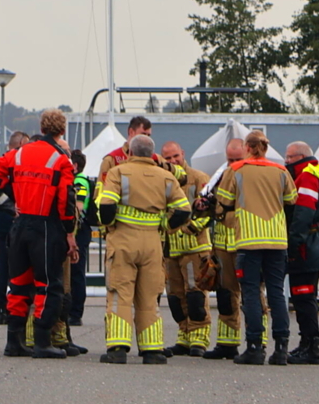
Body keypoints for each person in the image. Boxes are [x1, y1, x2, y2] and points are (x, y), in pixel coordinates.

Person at [0, 109, 78, 359]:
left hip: (20, 224)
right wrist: (69, 231)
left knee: (18, 284)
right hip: (46, 226)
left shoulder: (18, 153)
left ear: (41, 125)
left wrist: (11, 197)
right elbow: (66, 201)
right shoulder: (61, 159)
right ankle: (42, 341)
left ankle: (13, 341)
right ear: (62, 130)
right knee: (49, 285)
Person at [98, 134, 191, 365]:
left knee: (120, 294)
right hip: (152, 243)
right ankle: (152, 350)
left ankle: (118, 349)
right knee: (149, 297)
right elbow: (183, 210)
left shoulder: (118, 173)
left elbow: (106, 205)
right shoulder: (166, 176)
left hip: (123, 240)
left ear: (128, 152)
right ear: (152, 154)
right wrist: (165, 226)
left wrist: (109, 225)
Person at [215, 131, 297, 365]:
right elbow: (292, 199)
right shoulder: (281, 170)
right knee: (276, 293)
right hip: (277, 239)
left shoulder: (236, 169)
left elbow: (223, 201)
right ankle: (281, 349)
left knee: (250, 292)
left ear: (247, 148)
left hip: (249, 239)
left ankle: (254, 347)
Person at [160, 141, 212, 357]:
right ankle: (184, 336)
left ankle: (199, 339)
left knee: (195, 295)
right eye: (168, 159)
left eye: (175, 156)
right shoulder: (162, 180)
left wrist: (192, 228)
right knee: (175, 297)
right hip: (170, 250)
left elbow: (210, 208)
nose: (173, 161)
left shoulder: (199, 178)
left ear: (183, 153)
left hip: (194, 248)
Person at [283, 141, 319, 365]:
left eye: (289, 157)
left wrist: (293, 246)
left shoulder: (305, 177)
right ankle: (307, 343)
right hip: (314, 243)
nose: (285, 162)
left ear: (301, 156)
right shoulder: (315, 173)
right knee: (304, 296)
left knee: (303, 297)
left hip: (307, 246)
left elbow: (303, 214)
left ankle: (311, 346)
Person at [200, 138, 246, 360]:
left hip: (246, 243)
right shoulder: (219, 178)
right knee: (226, 296)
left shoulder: (252, 178)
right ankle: (228, 344)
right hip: (223, 246)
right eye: (230, 160)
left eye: (238, 159)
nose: (234, 164)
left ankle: (259, 343)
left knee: (254, 297)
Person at [0, 130, 30, 325]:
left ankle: (10, 307)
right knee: (4, 268)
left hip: (12, 222)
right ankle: (1, 307)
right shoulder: (5, 165)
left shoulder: (14, 164)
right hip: (7, 224)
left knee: (12, 268)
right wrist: (9, 209)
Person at [98, 115, 175, 181]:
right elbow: (101, 191)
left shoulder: (156, 159)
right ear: (131, 132)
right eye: (143, 134)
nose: (146, 139)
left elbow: (180, 176)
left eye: (149, 136)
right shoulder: (112, 159)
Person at [68, 149, 95, 326]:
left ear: (75, 165)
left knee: (77, 274)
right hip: (78, 232)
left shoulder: (79, 182)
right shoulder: (77, 180)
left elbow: (78, 208)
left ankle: (76, 313)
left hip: (79, 232)